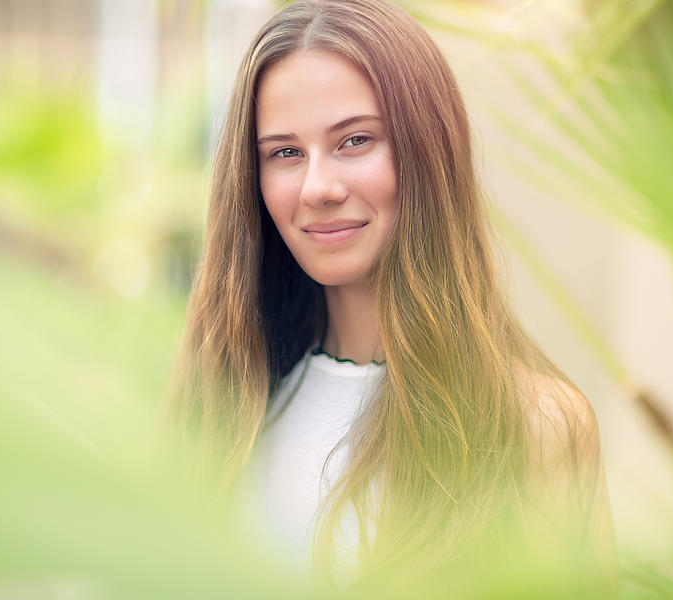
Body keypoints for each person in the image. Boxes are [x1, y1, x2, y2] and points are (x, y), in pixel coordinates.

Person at [164, 0, 617, 595]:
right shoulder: (223, 405)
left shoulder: (535, 426)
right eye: (285, 153)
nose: (318, 187)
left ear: (430, 151)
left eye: (354, 141)